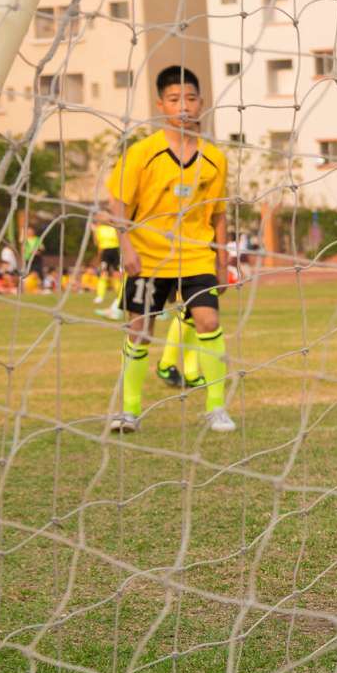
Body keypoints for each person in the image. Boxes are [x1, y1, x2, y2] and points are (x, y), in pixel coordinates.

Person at [105, 66, 234, 434]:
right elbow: (119, 205)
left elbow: (219, 214)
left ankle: (216, 407)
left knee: (208, 321)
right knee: (139, 332)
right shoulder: (142, 153)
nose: (184, 107)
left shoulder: (215, 159)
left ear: (201, 104)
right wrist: (125, 247)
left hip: (195, 258)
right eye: (175, 99)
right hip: (147, 258)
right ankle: (129, 410)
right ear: (161, 104)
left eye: (191, 99)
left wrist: (222, 261)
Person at [92, 211, 123, 315]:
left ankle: (119, 296)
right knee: (103, 273)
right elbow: (96, 243)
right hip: (105, 252)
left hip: (115, 251)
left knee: (117, 275)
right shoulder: (99, 229)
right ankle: (100, 296)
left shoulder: (115, 228)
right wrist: (94, 231)